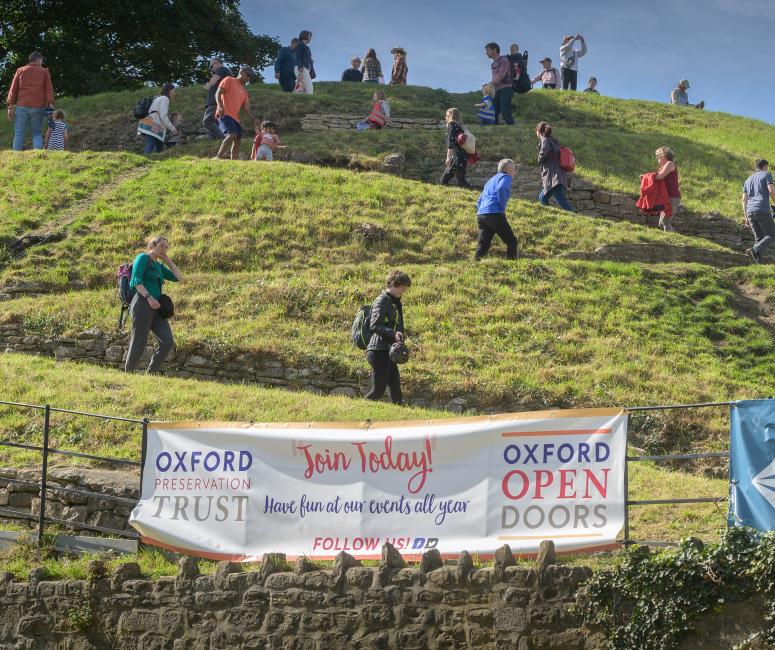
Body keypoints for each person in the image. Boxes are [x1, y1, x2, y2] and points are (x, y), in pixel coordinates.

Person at [124, 236, 182, 374]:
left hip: (157, 307)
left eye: (167, 247)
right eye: (162, 246)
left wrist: (167, 260)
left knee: (167, 341)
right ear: (153, 245)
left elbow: (178, 277)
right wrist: (149, 297)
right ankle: (128, 373)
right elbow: (136, 280)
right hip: (143, 303)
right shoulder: (142, 258)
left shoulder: (159, 265)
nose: (165, 249)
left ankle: (151, 373)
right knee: (139, 340)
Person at [365, 270, 411, 405]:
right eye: (401, 286)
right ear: (392, 283)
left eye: (404, 286)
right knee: (378, 390)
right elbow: (374, 325)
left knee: (396, 389)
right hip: (378, 350)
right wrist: (393, 333)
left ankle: (401, 421)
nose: (403, 289)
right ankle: (359, 415)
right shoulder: (383, 299)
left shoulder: (395, 302)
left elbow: (396, 324)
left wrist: (400, 336)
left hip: (389, 350)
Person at [6, 51, 54, 151]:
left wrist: (10, 107)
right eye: (41, 61)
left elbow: (13, 89)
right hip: (38, 106)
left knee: (19, 132)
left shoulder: (20, 70)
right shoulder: (44, 71)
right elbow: (48, 90)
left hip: (22, 106)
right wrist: (50, 105)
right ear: (38, 60)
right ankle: (38, 155)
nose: (42, 63)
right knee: (36, 132)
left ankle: (15, 156)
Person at [475, 159, 519, 260]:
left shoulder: (491, 180)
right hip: (494, 213)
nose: (515, 171)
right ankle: (511, 265)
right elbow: (501, 188)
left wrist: (482, 210)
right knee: (512, 241)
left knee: (483, 244)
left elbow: (479, 200)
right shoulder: (506, 177)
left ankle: (475, 263)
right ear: (508, 169)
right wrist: (502, 208)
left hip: (481, 215)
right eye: (514, 168)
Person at [213, 65, 255, 160]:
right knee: (232, 135)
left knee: (237, 140)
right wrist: (220, 106)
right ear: (242, 73)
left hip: (235, 117)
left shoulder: (244, 91)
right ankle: (218, 157)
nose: (249, 78)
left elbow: (247, 107)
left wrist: (254, 119)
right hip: (224, 113)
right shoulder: (229, 80)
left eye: (251, 76)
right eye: (248, 75)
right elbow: (218, 93)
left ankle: (234, 161)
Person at [743, 160, 775, 264]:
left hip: (750, 211)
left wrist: (746, 216)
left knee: (759, 239)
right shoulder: (767, 175)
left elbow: (744, 199)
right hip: (762, 209)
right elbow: (771, 190)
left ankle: (757, 264)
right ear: (765, 166)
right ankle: (753, 250)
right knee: (772, 234)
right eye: (767, 167)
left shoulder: (748, 180)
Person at [536, 121, 573, 211]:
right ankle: (547, 212)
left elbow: (543, 154)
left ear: (538, 131)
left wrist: (538, 159)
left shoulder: (545, 140)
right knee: (542, 198)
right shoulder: (553, 140)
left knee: (559, 198)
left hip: (554, 176)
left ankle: (574, 214)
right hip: (558, 174)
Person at [137, 83, 177, 154]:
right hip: (152, 124)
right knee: (151, 142)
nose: (174, 93)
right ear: (169, 91)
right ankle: (145, 160)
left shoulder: (158, 97)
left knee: (160, 146)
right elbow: (163, 116)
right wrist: (173, 128)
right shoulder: (165, 98)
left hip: (147, 121)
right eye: (173, 91)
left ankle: (157, 160)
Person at [485, 42, 514, 125]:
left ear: (494, 50)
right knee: (494, 113)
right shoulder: (493, 64)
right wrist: (493, 90)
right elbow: (494, 78)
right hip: (497, 91)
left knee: (505, 111)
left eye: (488, 50)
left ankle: (513, 130)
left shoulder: (504, 60)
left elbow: (501, 75)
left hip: (506, 89)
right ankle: (495, 131)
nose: (486, 52)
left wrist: (489, 85)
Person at [440, 108, 470, 188]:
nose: (445, 117)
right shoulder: (459, 125)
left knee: (444, 181)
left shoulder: (451, 124)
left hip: (457, 157)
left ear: (451, 116)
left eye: (446, 115)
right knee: (460, 182)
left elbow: (451, 142)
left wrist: (448, 157)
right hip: (462, 156)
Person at [202, 58, 231, 140]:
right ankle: (214, 144)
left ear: (217, 63)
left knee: (207, 121)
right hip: (215, 102)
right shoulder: (225, 73)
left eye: (211, 66)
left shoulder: (221, 69)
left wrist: (208, 85)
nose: (211, 69)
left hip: (215, 102)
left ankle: (223, 140)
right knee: (214, 125)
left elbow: (216, 78)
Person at [654, 147, 681, 231]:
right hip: (666, 197)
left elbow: (659, 176)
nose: (656, 158)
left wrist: (648, 177)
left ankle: (671, 239)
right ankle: (674, 235)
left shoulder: (669, 164)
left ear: (664, 155)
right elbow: (656, 179)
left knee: (665, 222)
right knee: (661, 224)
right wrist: (645, 178)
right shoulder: (662, 167)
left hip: (673, 196)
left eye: (658, 155)